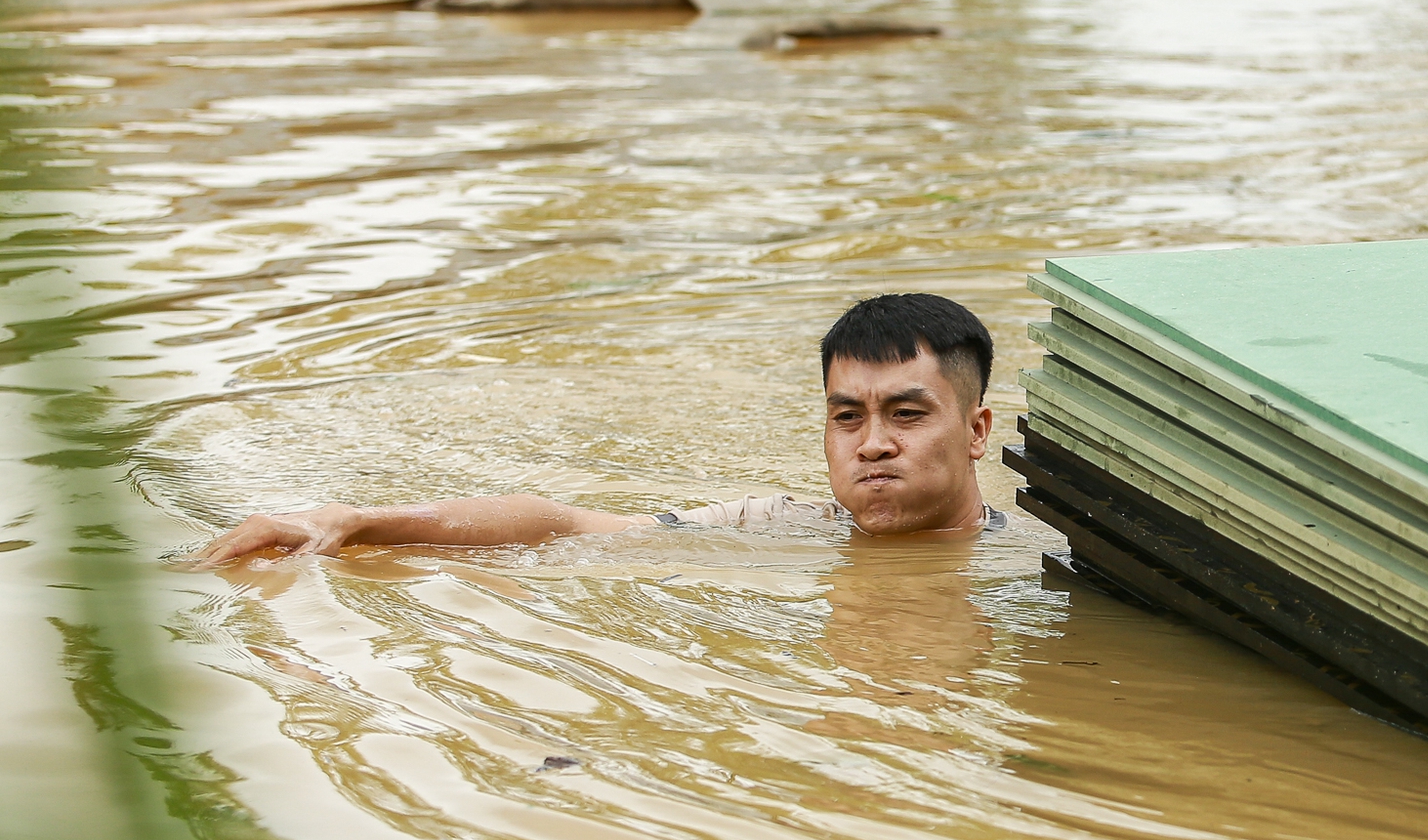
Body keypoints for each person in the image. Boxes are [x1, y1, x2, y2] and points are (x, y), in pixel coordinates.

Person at [197, 293, 1004, 565]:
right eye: (845, 416)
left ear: (976, 430)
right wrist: (361, 520)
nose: (871, 444)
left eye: (906, 413)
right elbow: (569, 524)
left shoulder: (1037, 556)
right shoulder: (785, 525)